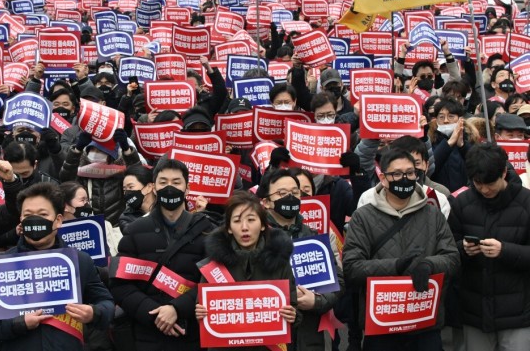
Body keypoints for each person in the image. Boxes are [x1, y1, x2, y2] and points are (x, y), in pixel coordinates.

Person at [0, 183, 115, 351]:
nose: (34, 220)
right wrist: (18, 324)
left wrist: (93, 313)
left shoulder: (80, 261)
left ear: (58, 220)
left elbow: (106, 303)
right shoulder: (3, 264)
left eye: (43, 214)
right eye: (28, 215)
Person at [343, 149, 459, 350]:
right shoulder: (363, 217)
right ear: (383, 178)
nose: (404, 179)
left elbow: (452, 258)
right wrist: (395, 266)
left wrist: (428, 264)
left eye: (410, 173)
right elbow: (352, 268)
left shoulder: (433, 214)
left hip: (424, 324)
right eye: (396, 174)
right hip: (382, 326)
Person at [109, 159, 215, 351]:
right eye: (163, 182)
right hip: (146, 335)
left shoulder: (208, 231)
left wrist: (177, 309)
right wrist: (156, 315)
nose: (169, 188)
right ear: (154, 188)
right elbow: (119, 284)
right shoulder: (135, 230)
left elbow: (215, 281)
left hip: (194, 335)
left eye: (176, 183)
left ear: (187, 188)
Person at [448, 142, 530, 351]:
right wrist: (463, 249)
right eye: (478, 183)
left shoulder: (526, 202)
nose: (484, 189)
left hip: (518, 312)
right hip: (474, 310)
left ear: (504, 172)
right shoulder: (461, 203)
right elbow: (447, 249)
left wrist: (505, 251)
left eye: (489, 183)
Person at [195, 191, 298, 351]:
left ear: (263, 224)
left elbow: (293, 307)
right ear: (229, 228)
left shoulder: (279, 261)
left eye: (251, 220)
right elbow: (202, 309)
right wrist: (201, 314)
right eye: (237, 221)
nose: (244, 228)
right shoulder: (214, 266)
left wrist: (293, 315)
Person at [257, 170, 344, 351]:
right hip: (269, 336)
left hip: (310, 335)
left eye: (295, 193)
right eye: (282, 194)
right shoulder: (254, 238)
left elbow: (338, 281)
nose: (290, 197)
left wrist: (317, 301)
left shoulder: (313, 237)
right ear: (265, 202)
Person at [118, 164, 156, 234]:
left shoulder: (166, 209)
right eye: (124, 190)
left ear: (149, 187)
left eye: (131, 187)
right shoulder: (126, 218)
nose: (127, 193)